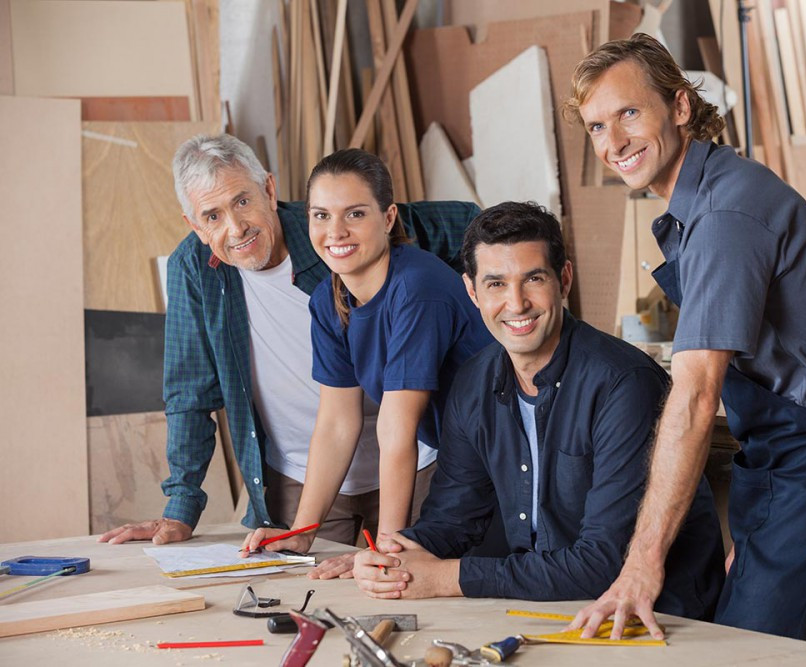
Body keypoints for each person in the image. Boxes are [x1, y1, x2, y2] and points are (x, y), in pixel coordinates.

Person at [564, 34, 806, 646]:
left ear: (679, 107)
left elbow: (699, 393)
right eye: (597, 127)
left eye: (628, 113)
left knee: (750, 654)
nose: (614, 142)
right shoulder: (701, 201)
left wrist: (642, 561)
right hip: (787, 461)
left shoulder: (725, 215)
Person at [99, 135, 480, 557]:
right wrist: (183, 504)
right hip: (310, 472)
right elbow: (190, 392)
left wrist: (503, 294)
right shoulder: (305, 292)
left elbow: (465, 223)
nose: (236, 227)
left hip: (420, 458)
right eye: (212, 215)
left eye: (242, 202)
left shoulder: (335, 236)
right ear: (194, 225)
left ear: (269, 189)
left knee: (414, 582)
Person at [350, 201, 724, 618]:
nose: (517, 303)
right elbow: (453, 520)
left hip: (656, 615)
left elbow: (603, 563)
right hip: (549, 606)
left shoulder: (624, 384)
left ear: (564, 280)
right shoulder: (474, 383)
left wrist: (443, 578)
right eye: (495, 284)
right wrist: (393, 557)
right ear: (472, 292)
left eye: (533, 278)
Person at [242, 150, 494, 576]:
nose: (335, 231)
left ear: (389, 217)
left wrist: (388, 549)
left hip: (505, 456)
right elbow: (338, 422)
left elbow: (397, 428)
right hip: (464, 456)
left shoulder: (417, 287)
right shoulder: (329, 298)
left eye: (354, 213)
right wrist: (301, 531)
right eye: (321, 215)